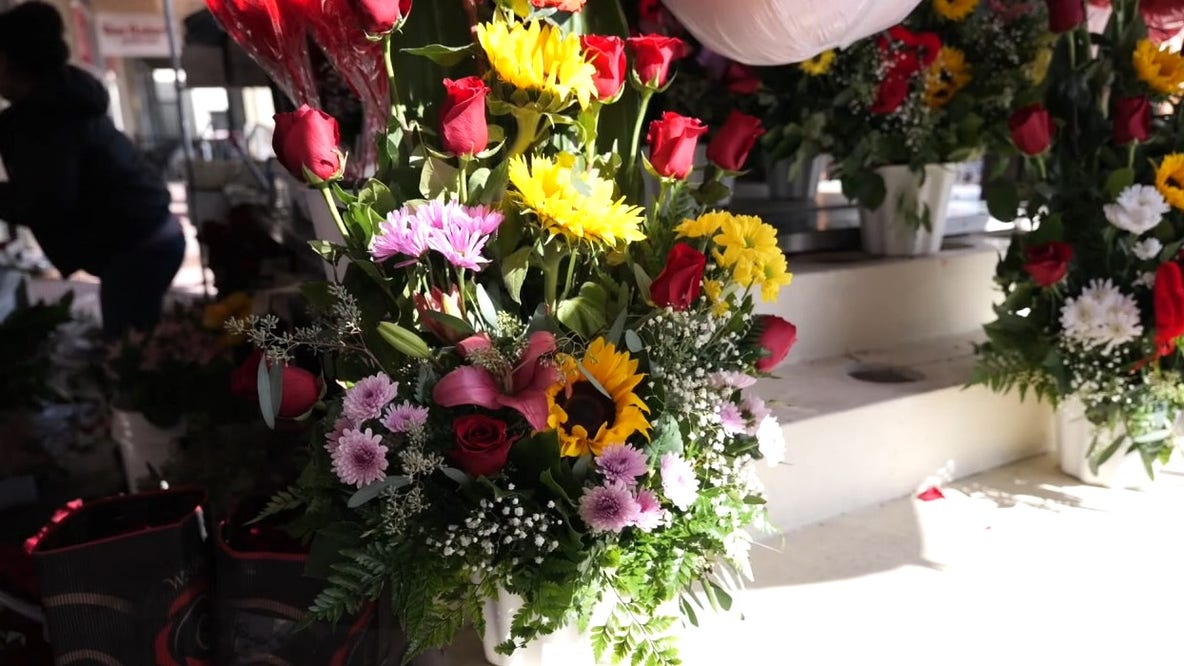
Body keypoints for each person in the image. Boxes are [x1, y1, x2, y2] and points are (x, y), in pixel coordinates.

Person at [0, 1, 184, 339]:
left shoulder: (45, 119)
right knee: (137, 343)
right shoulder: (60, 98)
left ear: (9, 61)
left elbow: (46, 201)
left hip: (138, 247)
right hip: (153, 235)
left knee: (128, 351)